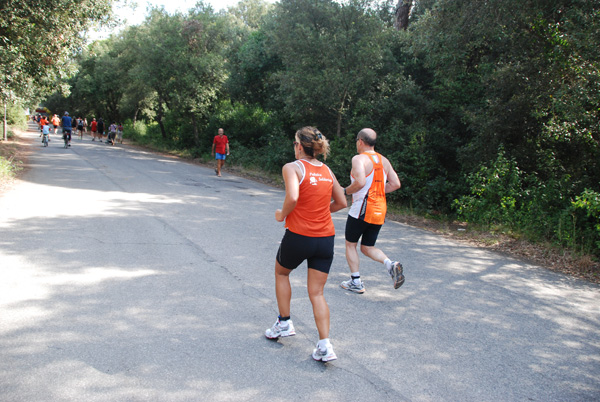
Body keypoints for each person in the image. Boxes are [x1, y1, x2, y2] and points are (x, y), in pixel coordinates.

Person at [265, 126, 347, 362]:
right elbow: (341, 202)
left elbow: (292, 197)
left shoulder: (292, 167)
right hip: (325, 240)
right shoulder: (327, 170)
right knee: (317, 293)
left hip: (299, 236)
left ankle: (284, 323)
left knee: (281, 273)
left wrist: (281, 214)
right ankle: (324, 345)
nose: (294, 147)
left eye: (294, 143)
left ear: (300, 146)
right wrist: (320, 211)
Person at [340, 128, 403, 294]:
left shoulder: (359, 159)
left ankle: (356, 281)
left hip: (362, 208)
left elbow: (360, 182)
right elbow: (396, 184)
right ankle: (390, 264)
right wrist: (379, 191)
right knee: (367, 247)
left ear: (360, 141)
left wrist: (344, 191)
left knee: (350, 244)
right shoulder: (384, 160)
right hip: (380, 209)